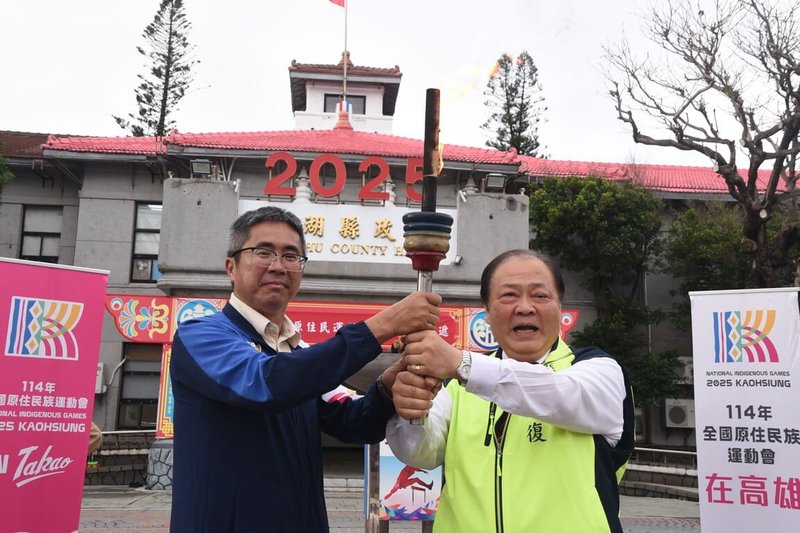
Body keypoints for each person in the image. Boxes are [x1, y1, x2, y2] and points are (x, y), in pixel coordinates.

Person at [169, 206, 441, 533]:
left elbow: (354, 422)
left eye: (291, 256)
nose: (278, 266)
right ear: (231, 267)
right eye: (263, 252)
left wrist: (387, 386)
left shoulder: (298, 353)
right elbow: (266, 382)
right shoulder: (201, 336)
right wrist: (381, 327)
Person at [387, 249, 634, 533]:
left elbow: (562, 396)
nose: (525, 307)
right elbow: (418, 453)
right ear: (488, 312)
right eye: (508, 296)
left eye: (540, 296)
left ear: (560, 308)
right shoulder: (455, 388)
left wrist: (460, 363)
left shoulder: (598, 370)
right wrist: (410, 412)